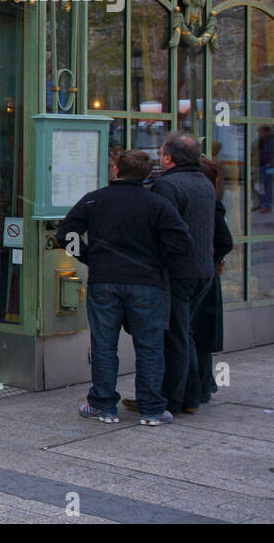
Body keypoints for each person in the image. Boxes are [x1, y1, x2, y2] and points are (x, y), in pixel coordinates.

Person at [56, 150, 191, 426]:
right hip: (146, 283)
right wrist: (159, 262)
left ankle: (103, 405)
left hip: (104, 280)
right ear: (147, 175)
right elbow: (182, 242)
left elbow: (65, 233)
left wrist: (87, 255)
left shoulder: (96, 199)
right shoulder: (157, 204)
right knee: (150, 346)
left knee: (104, 345)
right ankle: (152, 409)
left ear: (116, 170)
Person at [143, 132, 215, 416]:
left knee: (175, 337)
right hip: (202, 271)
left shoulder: (168, 186)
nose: (159, 157)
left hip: (178, 272)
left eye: (161, 153)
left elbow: (163, 233)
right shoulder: (204, 183)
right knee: (185, 334)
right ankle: (192, 396)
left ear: (169, 158)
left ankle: (172, 398)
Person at [192, 157, 234, 406]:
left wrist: (210, 257)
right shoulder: (211, 202)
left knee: (199, 335)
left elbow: (224, 241)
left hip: (202, 276)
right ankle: (204, 385)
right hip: (206, 273)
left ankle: (202, 385)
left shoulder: (211, 205)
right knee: (201, 336)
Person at [255, 125, 273, 213]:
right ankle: (262, 204)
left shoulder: (271, 141)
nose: (260, 134)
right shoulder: (262, 141)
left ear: (267, 132)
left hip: (268, 166)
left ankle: (266, 205)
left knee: (266, 186)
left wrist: (270, 164)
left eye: (261, 132)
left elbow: (269, 153)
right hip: (261, 165)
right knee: (260, 186)